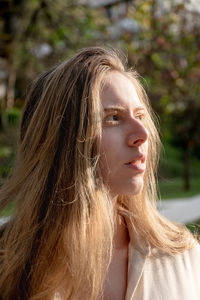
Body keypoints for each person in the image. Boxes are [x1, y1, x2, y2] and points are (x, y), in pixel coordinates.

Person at [0, 47, 199, 300]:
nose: (142, 134)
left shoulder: (182, 256)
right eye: (113, 118)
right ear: (62, 140)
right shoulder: (9, 264)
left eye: (140, 115)